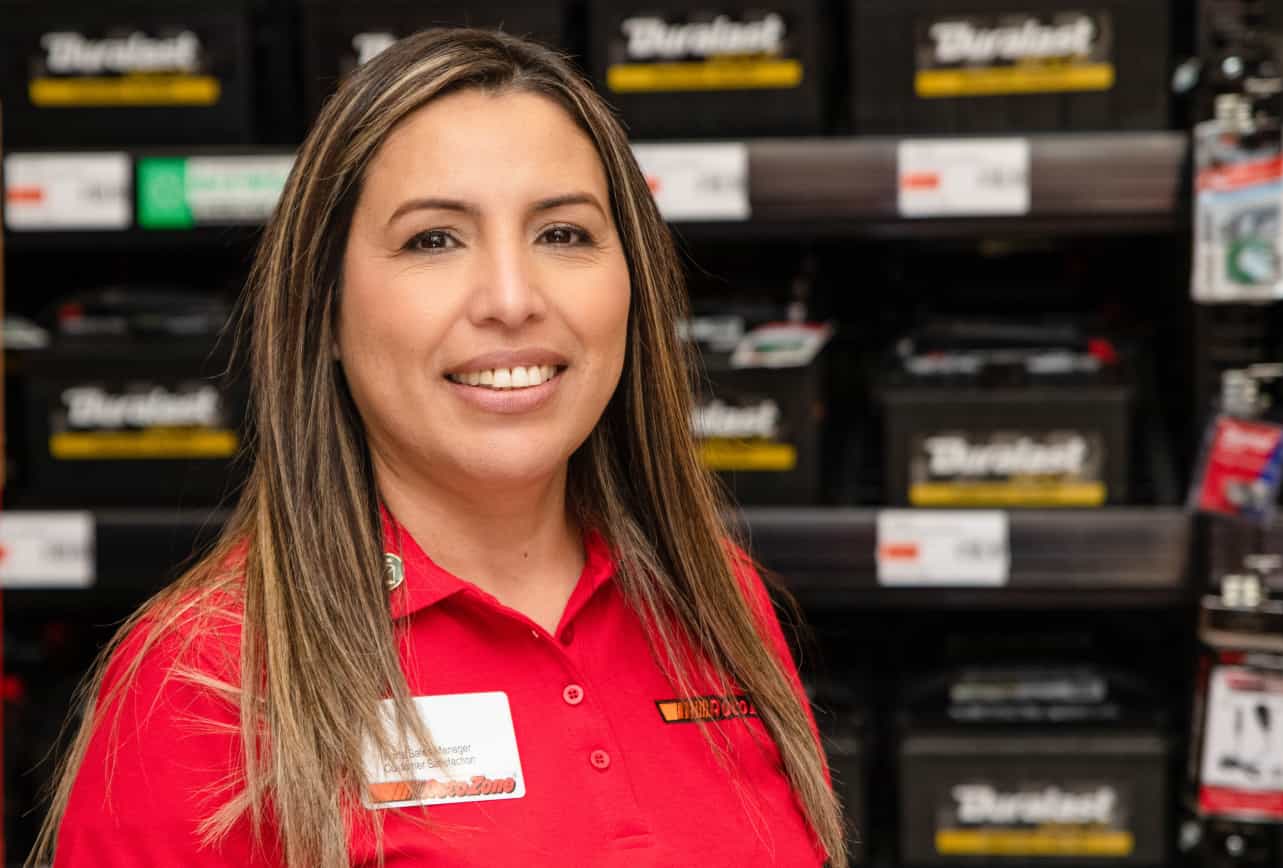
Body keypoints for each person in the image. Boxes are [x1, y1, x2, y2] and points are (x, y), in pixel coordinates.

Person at [30, 28, 846, 868]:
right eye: (434, 239)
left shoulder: (716, 598)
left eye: (562, 233)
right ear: (325, 310)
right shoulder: (203, 679)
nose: (510, 298)